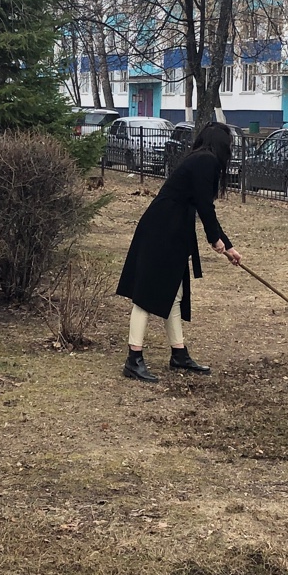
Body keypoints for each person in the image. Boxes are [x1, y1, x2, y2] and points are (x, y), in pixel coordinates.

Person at [114, 121, 243, 384]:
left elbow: (201, 205)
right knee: (146, 295)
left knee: (174, 292)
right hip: (161, 230)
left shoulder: (199, 159)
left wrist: (227, 245)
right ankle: (133, 359)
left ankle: (179, 353)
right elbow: (205, 206)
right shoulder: (206, 162)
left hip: (172, 229)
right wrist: (215, 240)